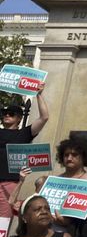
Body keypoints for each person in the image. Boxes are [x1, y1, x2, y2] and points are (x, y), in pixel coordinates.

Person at [0, 88, 49, 219]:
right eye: (4, 113)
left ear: (19, 118)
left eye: (10, 113)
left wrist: (38, 94)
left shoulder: (23, 134)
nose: (6, 115)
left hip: (9, 184)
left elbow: (44, 117)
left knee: (2, 221)